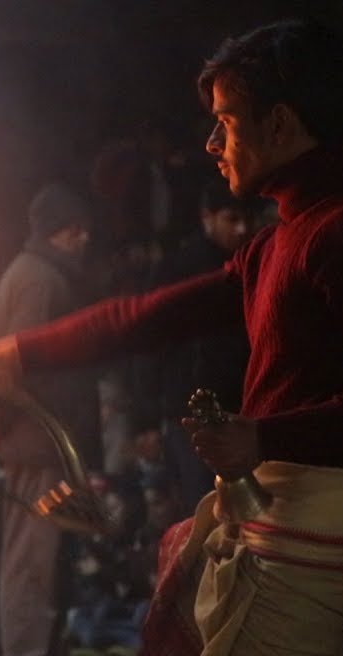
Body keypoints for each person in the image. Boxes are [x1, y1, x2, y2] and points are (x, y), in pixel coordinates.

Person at [0, 18, 343, 656]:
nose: (210, 144)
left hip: (315, 528)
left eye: (225, 122)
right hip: (287, 518)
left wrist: (263, 439)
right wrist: (19, 351)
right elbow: (145, 315)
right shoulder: (282, 239)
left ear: (279, 124)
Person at [0, 182, 101, 656]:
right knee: (31, 553)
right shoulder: (39, 280)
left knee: (41, 550)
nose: (85, 239)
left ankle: (40, 652)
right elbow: (15, 363)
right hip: (38, 437)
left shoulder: (35, 273)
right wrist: (0, 422)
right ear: (63, 232)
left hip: (41, 436)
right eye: (78, 230)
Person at [139, 177, 254, 509]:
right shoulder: (178, 270)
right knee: (203, 514)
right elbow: (150, 341)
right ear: (208, 217)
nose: (242, 229)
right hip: (191, 416)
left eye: (245, 219)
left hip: (241, 414)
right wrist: (146, 418)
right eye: (231, 219)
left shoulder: (250, 268)